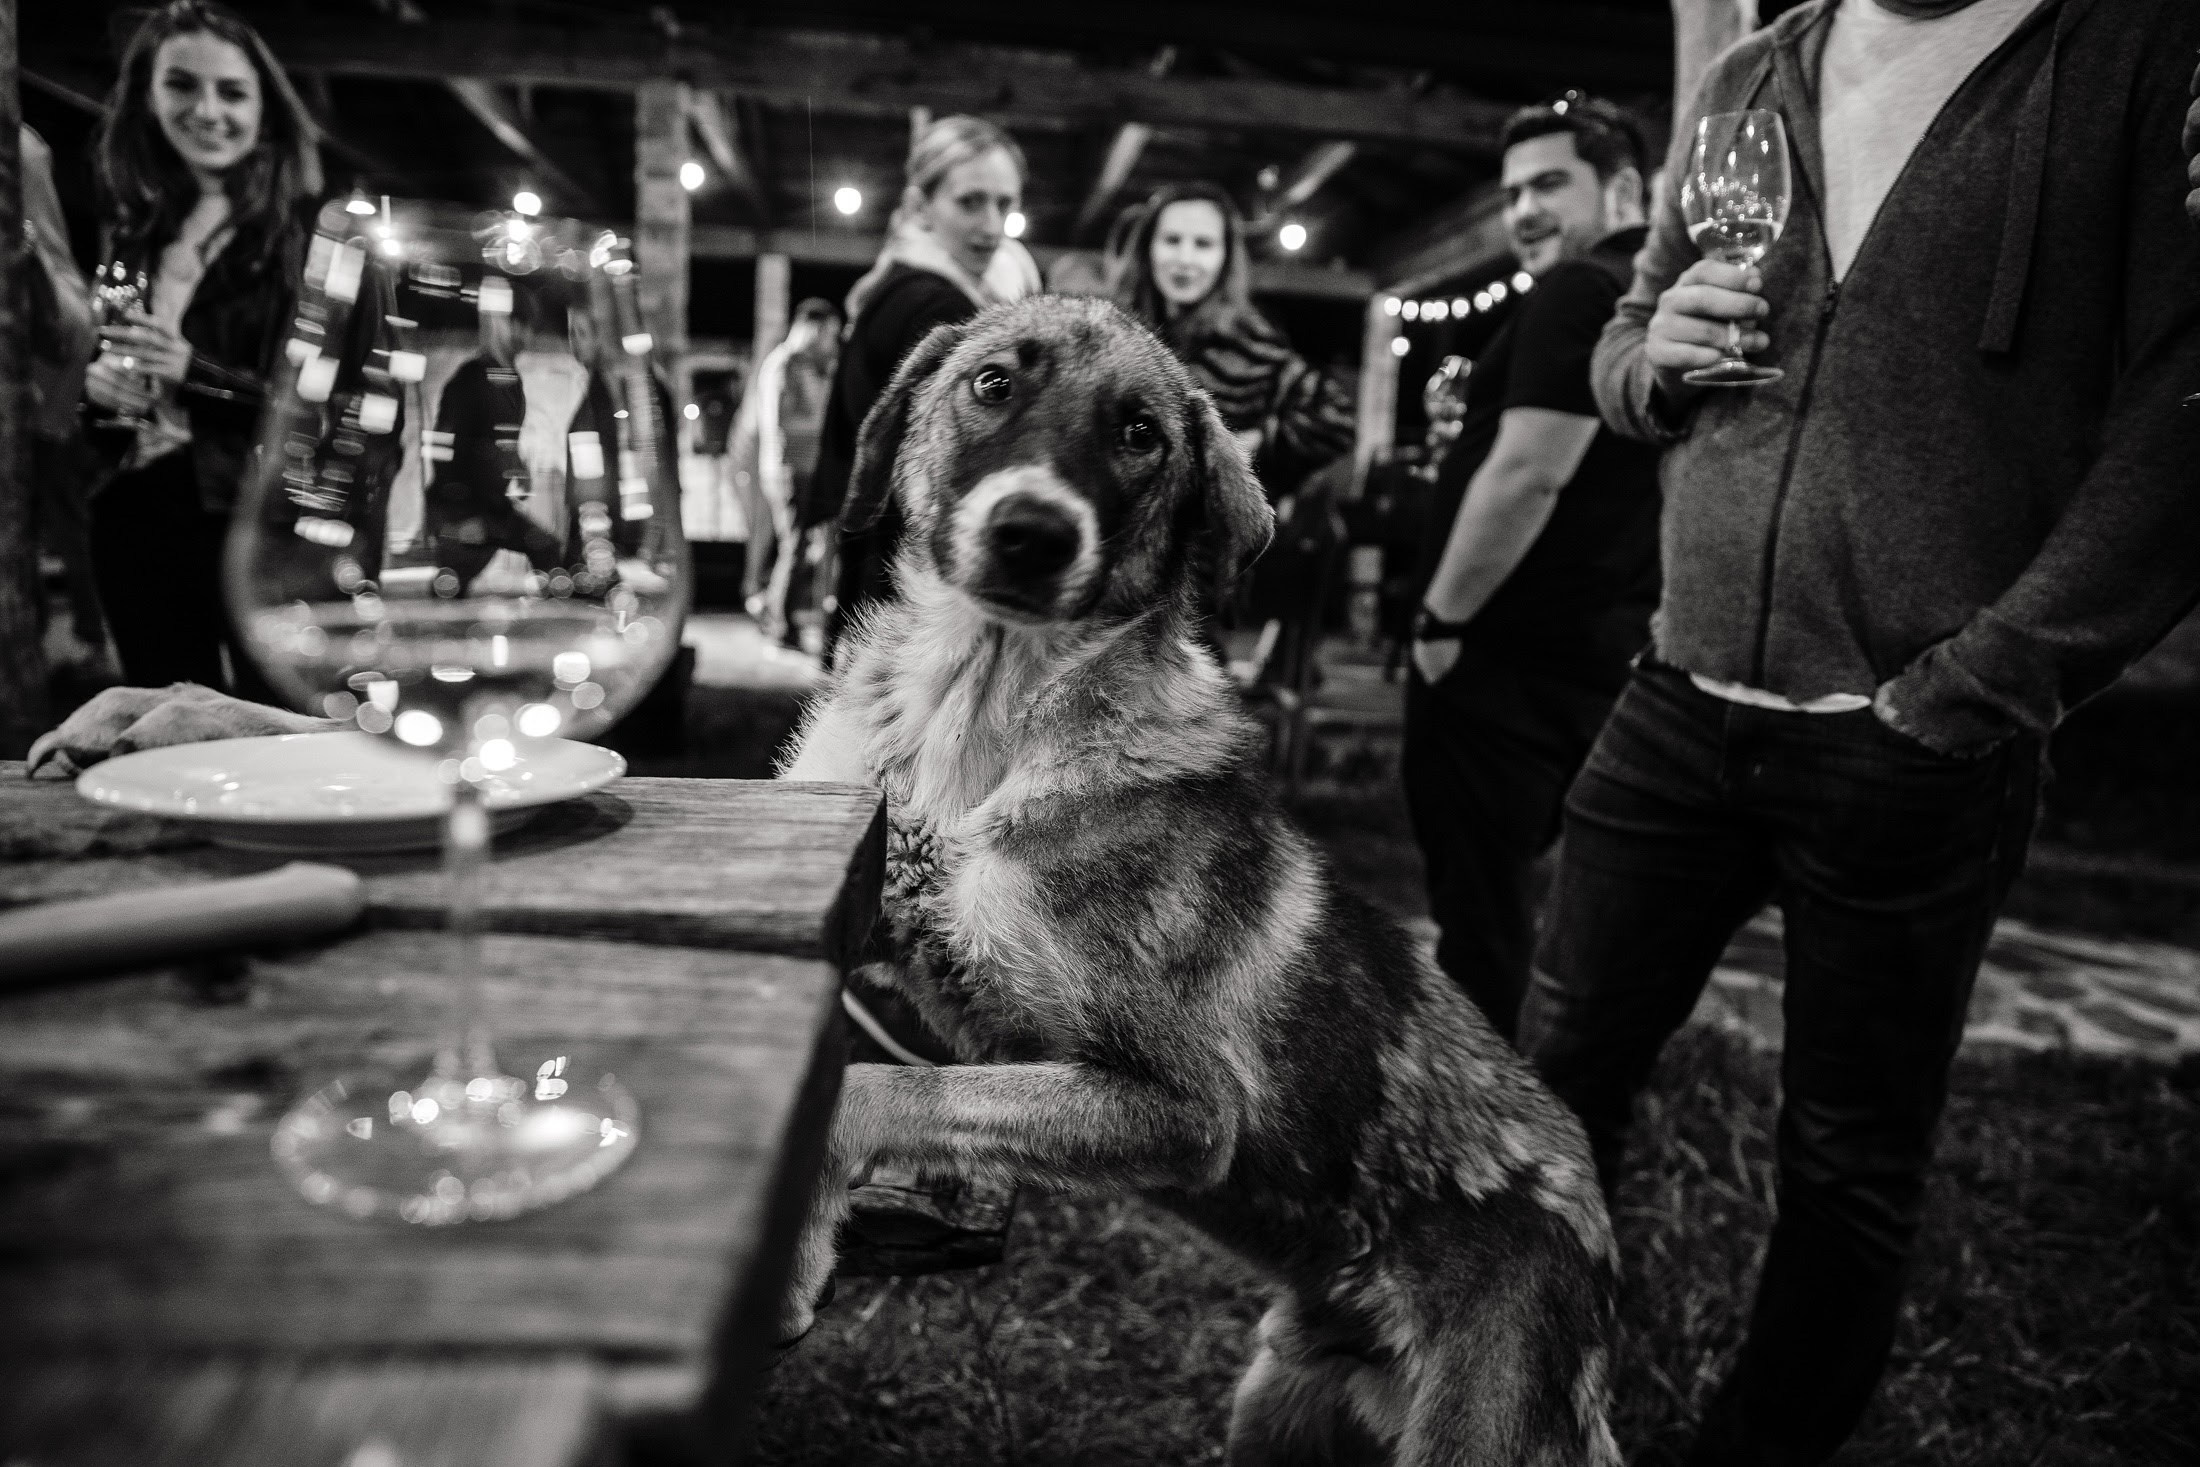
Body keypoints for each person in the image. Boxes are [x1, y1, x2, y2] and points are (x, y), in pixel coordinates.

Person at [1517, 1, 2200, 1463]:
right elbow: (1638, 327)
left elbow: (2184, 408)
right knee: (1547, 1087)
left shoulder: (2138, 60)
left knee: (1846, 1162)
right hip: (1677, 697)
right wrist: (1652, 357)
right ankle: (1514, 1409)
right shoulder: (1752, 68)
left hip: (1913, 743)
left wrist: (1984, 682)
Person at [1402, 96, 1660, 1042]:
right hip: (1593, 648)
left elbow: (1529, 473)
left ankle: (1467, 1129)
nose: (1522, 211)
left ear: (1624, 186)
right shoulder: (1661, 297)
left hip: (1498, 663)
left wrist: (1439, 623)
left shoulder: (1579, 290)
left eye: (1551, 183)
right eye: (1512, 191)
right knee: (1528, 914)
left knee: (1481, 922)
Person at [81, 0, 328, 699]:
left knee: (276, 725)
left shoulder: (304, 235)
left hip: (251, 516)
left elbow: (321, 404)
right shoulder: (138, 231)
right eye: (182, 85)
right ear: (147, 98)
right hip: (136, 508)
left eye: (232, 91)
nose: (207, 110)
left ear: (266, 106)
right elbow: (110, 358)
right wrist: (95, 389)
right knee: (162, 728)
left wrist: (193, 373)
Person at [809, 115, 1039, 662]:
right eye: (970, 202)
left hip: (881, 566)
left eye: (1005, 205)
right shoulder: (935, 306)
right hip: (906, 579)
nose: (991, 224)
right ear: (920, 205)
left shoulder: (898, 288)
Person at [1109, 181, 1355, 504]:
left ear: (1225, 257)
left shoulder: (1250, 342)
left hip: (1208, 542)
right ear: (1147, 247)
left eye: (1203, 244)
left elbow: (1336, 420)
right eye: (1171, 240)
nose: (1185, 258)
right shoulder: (1119, 334)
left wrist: (1253, 444)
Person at [733, 297, 840, 647]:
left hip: (802, 466)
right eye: (828, 333)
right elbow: (784, 421)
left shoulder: (808, 364)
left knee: (800, 545)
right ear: (813, 329)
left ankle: (777, 613)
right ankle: (779, 622)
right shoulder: (787, 365)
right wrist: (828, 422)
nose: (831, 341)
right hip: (789, 467)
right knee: (794, 545)